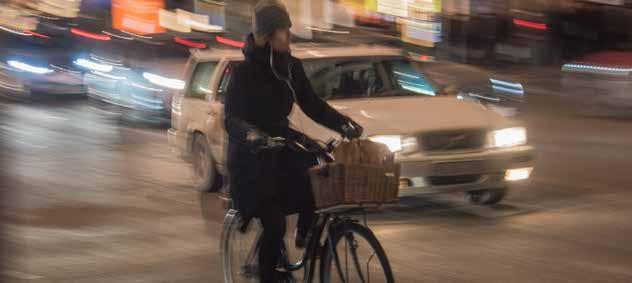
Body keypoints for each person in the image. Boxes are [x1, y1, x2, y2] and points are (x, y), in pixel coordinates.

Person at [224, 1, 363, 282]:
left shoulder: (290, 67)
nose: (289, 35)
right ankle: (267, 276)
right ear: (266, 35)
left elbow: (312, 104)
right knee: (274, 225)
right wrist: (252, 135)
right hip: (251, 160)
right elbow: (231, 119)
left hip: (282, 144)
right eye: (284, 30)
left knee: (318, 169)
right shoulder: (242, 73)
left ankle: (304, 235)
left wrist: (343, 124)